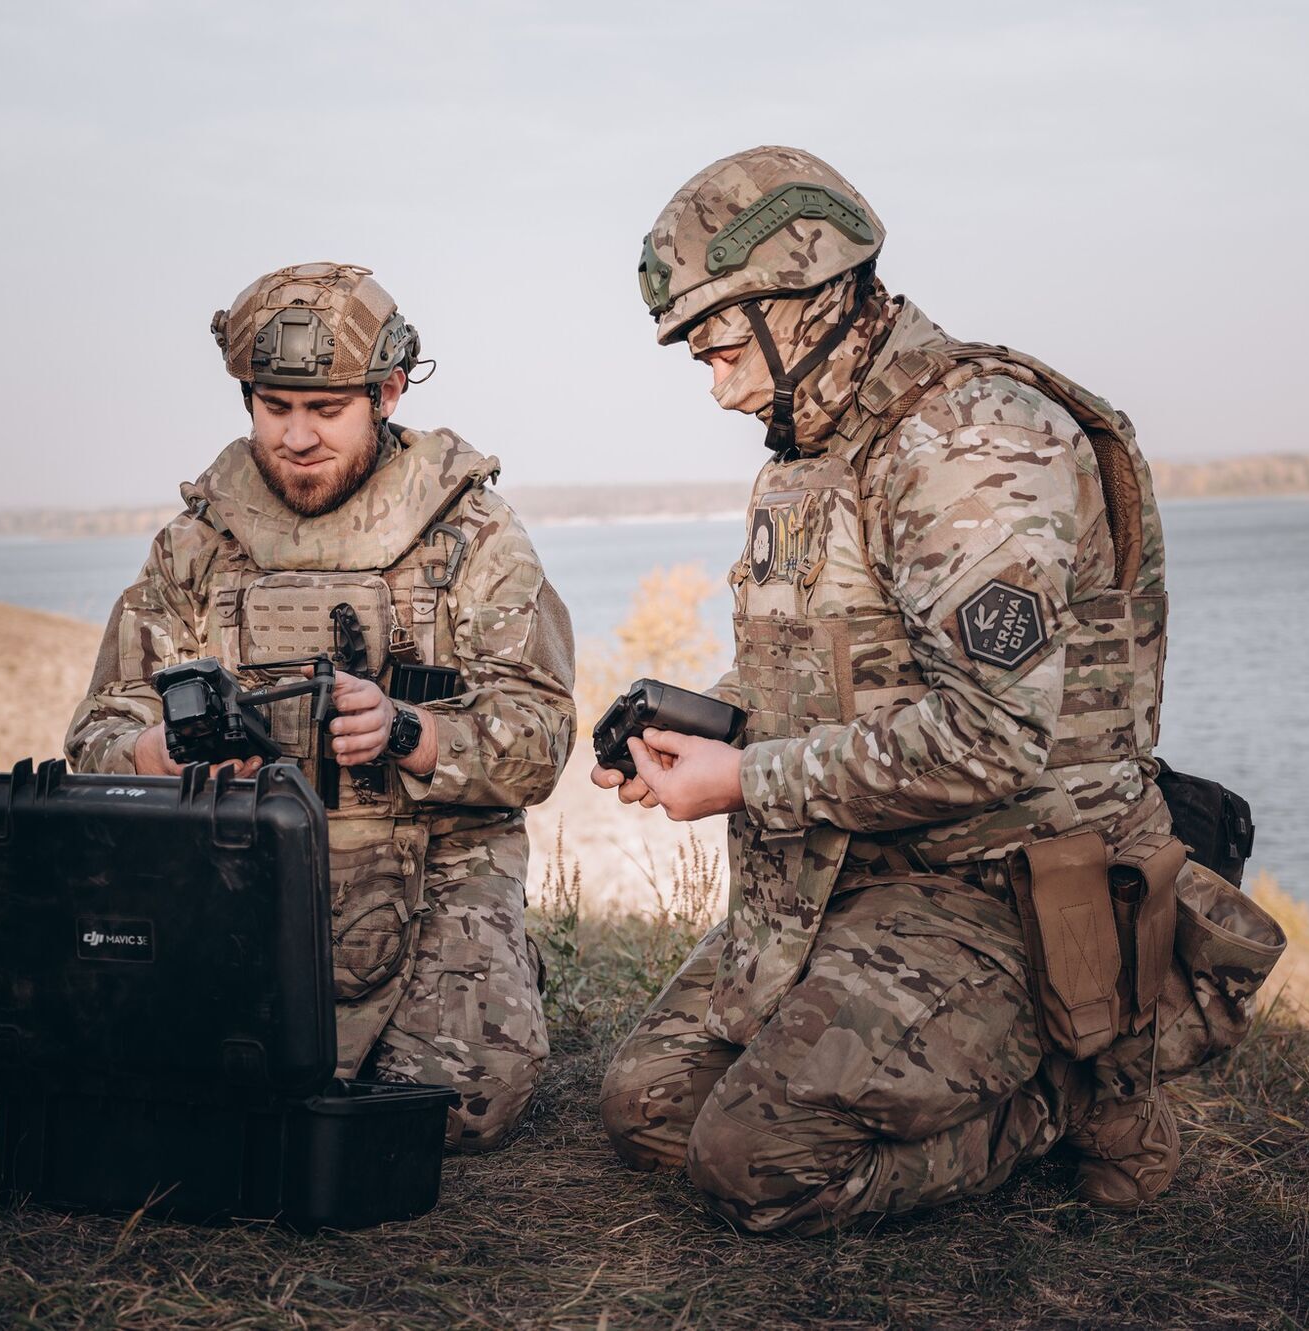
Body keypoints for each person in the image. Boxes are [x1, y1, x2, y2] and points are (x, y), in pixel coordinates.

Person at [594, 147, 1191, 1232]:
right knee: (646, 1108)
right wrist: (692, 725)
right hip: (856, 864)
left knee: (753, 1162)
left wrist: (746, 781)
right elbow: (821, 666)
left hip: (1004, 887)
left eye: (720, 346)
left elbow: (991, 741)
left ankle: (1078, 1083)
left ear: (808, 300)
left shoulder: (969, 441)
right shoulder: (811, 445)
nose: (714, 381)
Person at [66, 262, 575, 1151]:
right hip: (241, 875)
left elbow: (542, 735)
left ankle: (495, 963)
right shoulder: (197, 545)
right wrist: (151, 754)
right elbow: (96, 729)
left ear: (386, 393)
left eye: (326, 409)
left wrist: (410, 732)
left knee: (449, 1107)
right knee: (177, 1079)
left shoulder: (471, 535)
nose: (296, 437)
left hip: (434, 867)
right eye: (274, 407)